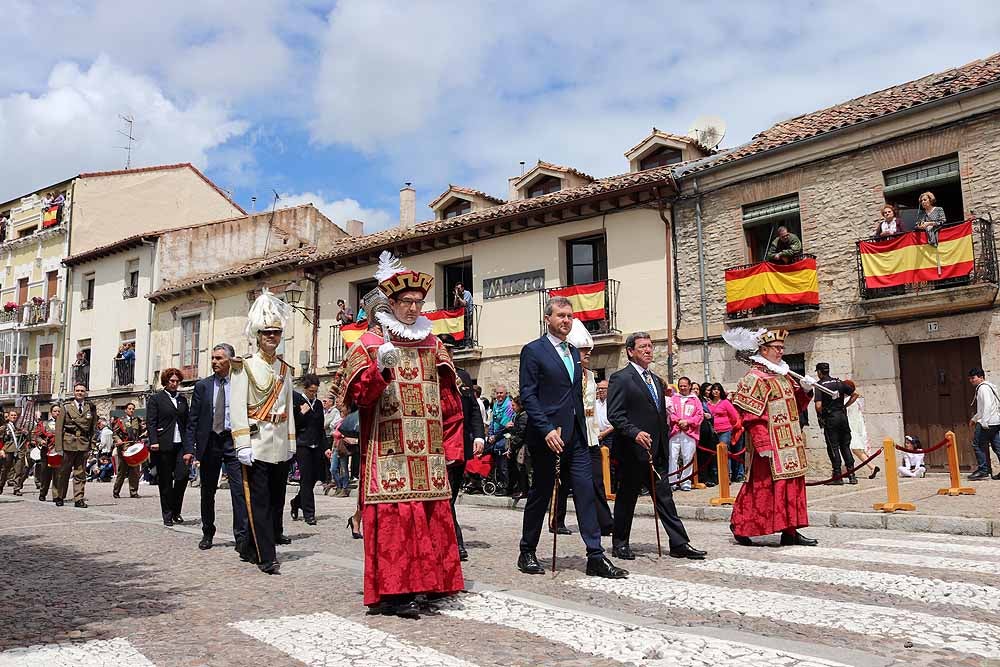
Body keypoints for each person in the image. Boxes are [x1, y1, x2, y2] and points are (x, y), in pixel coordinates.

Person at [332, 251, 465, 617]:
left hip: (429, 454)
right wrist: (379, 371)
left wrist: (454, 444)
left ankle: (431, 584)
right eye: (407, 302)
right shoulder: (370, 346)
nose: (413, 308)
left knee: (430, 515)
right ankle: (393, 593)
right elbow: (356, 398)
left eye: (419, 303)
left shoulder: (433, 343)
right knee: (395, 521)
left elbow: (451, 399)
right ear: (391, 303)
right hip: (389, 451)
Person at [516, 297, 627, 579]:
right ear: (547, 319)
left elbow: (576, 397)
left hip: (576, 438)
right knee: (540, 495)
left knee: (586, 493)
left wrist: (586, 432)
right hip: (546, 437)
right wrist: (546, 429)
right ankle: (527, 550)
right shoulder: (533, 351)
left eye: (570, 316)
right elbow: (528, 395)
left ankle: (595, 555)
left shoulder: (573, 354)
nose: (566, 320)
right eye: (561, 315)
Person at [607, 332, 705, 561]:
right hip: (633, 451)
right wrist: (635, 432)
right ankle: (620, 543)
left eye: (650, 346)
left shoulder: (655, 379)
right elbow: (615, 414)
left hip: (656, 450)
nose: (649, 350)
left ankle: (679, 543)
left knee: (665, 498)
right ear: (631, 351)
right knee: (626, 499)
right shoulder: (621, 378)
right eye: (643, 346)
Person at [728, 328, 817, 547]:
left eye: (782, 348)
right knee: (762, 487)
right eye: (777, 348)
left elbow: (796, 405)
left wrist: (805, 391)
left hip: (790, 441)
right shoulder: (755, 378)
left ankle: (791, 531)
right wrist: (762, 442)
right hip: (770, 443)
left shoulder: (784, 375)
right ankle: (741, 526)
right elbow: (750, 415)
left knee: (791, 486)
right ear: (764, 350)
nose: (781, 351)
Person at [230, 290, 297, 575]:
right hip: (256, 443)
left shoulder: (285, 368)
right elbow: (236, 407)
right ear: (258, 336)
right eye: (267, 333)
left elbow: (289, 406)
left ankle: (250, 545)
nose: (272, 338)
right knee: (258, 501)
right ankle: (267, 556)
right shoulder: (244, 366)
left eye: (276, 334)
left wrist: (292, 440)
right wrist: (241, 443)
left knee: (275, 500)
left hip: (279, 443)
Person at [187, 343, 252, 556]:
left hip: (233, 441)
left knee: (238, 491)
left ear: (230, 361)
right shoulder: (203, 386)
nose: (214, 362)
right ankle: (207, 531)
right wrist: (190, 448)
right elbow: (193, 420)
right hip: (210, 443)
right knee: (207, 491)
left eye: (219, 358)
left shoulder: (240, 383)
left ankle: (241, 537)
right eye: (213, 358)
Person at [554, 319, 614, 537]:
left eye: (589, 350)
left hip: (590, 436)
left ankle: (604, 522)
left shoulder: (591, 376)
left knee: (596, 480)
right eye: (583, 351)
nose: (588, 354)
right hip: (569, 437)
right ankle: (557, 519)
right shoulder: (566, 375)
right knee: (563, 483)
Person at [439, 333, 485, 561]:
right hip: (438, 445)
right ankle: (457, 543)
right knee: (445, 497)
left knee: (451, 496)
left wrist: (479, 436)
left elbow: (474, 410)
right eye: (445, 349)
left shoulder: (463, 376)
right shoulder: (431, 376)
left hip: (460, 444)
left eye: (450, 350)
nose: (448, 353)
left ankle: (448, 539)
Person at [147, 368, 192, 525]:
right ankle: (167, 513)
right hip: (163, 443)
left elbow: (187, 424)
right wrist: (153, 441)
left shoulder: (183, 400)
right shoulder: (156, 399)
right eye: (172, 381)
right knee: (165, 480)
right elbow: (151, 422)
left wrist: (189, 448)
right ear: (166, 381)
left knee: (182, 476)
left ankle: (176, 510)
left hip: (181, 444)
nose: (174, 384)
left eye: (177, 381)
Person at [290, 374, 329, 526]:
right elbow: (294, 425)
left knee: (314, 478)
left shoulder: (318, 404)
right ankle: (309, 514)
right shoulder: (297, 401)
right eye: (311, 391)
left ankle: (297, 501)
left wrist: (325, 447)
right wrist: (301, 413)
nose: (313, 394)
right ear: (305, 389)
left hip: (316, 445)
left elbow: (320, 428)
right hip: (302, 445)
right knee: (305, 479)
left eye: (315, 391)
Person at [52, 383, 97, 508]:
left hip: (83, 443)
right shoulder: (66, 407)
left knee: (80, 473)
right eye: (77, 390)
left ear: (85, 392)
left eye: (82, 390)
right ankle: (60, 496)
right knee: (64, 472)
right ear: (74, 392)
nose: (80, 393)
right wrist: (59, 448)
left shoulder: (91, 408)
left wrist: (92, 444)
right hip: (68, 443)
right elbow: (59, 428)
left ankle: (79, 499)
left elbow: (93, 428)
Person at [814, 362, 859, 485]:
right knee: (845, 446)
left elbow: (818, 406)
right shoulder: (839, 382)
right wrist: (845, 405)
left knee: (833, 447)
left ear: (819, 372)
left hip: (831, 419)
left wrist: (822, 414)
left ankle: (837, 476)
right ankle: (852, 475)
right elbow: (855, 394)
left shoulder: (820, 385)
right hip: (842, 417)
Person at [667, 377, 702, 491]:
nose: (682, 388)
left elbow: (699, 415)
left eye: (684, 386)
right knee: (673, 457)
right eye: (680, 386)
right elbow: (670, 413)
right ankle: (672, 481)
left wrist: (688, 422)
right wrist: (678, 421)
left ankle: (685, 481)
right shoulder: (674, 398)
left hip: (689, 432)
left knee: (687, 457)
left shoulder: (695, 400)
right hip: (675, 432)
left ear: (689, 386)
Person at [967, 367, 1000, 480]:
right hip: (995, 421)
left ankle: (983, 470)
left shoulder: (983, 388)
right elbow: (983, 408)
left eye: (973, 378)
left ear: (981, 377)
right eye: (970, 378)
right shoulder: (988, 387)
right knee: (997, 447)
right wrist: (975, 418)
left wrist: (983, 422)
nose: (971, 380)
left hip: (988, 422)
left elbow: (987, 405)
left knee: (977, 444)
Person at [708, 383, 743, 483]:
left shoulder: (725, 403)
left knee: (724, 453)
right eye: (714, 389)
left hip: (724, 431)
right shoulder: (708, 404)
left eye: (718, 389)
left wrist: (730, 427)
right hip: (712, 431)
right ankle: (716, 476)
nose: (715, 391)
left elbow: (734, 416)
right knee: (714, 454)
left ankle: (727, 476)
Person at [112, 403, 144, 499]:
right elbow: (115, 433)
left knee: (135, 471)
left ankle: (133, 491)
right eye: (129, 409)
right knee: (122, 471)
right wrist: (118, 440)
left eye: (133, 409)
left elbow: (140, 433)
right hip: (124, 447)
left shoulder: (136, 420)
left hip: (134, 447)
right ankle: (116, 491)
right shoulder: (121, 420)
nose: (131, 410)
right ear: (125, 410)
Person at [488, 385, 515, 495]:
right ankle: (500, 484)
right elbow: (493, 421)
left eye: (501, 393)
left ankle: (506, 487)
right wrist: (490, 434)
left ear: (506, 394)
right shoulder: (495, 405)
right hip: (495, 438)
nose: (499, 395)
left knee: (504, 465)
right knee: (498, 465)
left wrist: (495, 437)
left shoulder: (508, 405)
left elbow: (506, 425)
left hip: (504, 438)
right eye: (497, 393)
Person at [33, 405, 60, 501]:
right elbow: (37, 436)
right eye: (55, 411)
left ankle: (56, 495)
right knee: (45, 474)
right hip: (46, 451)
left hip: (58, 452)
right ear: (51, 412)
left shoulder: (64, 424)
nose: (57, 413)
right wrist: (41, 441)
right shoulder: (44, 423)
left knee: (57, 475)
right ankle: (43, 492)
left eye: (58, 411)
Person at [0, 410, 25, 495]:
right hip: (8, 450)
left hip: (18, 451)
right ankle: (0, 486)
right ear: (9, 416)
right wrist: (1, 450)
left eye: (15, 415)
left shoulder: (19, 428)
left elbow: (24, 439)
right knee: (5, 470)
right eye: (12, 415)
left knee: (19, 470)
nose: (14, 417)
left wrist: (26, 433)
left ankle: (17, 488)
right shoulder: (4, 427)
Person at [453, 282, 474, 347]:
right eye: (457, 288)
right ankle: (461, 343)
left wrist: (458, 296)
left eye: (459, 288)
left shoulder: (467, 293)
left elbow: (464, 303)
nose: (458, 290)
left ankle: (467, 343)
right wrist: (456, 296)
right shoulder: (457, 294)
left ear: (462, 288)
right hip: (461, 315)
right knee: (461, 329)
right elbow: (455, 305)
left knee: (467, 329)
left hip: (468, 314)